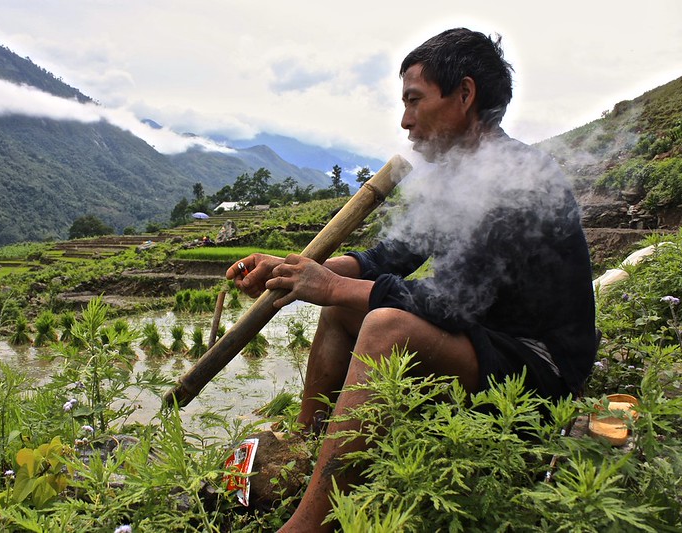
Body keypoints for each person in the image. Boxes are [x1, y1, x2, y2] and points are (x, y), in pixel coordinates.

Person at [227, 28, 597, 532]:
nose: (405, 122)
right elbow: (389, 257)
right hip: (482, 342)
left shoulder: (521, 179)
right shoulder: (457, 177)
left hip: (537, 366)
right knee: (344, 306)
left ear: (464, 95)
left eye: (414, 101)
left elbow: (448, 306)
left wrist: (332, 286)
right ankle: (307, 444)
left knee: (384, 326)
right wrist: (296, 272)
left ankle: (309, 525)